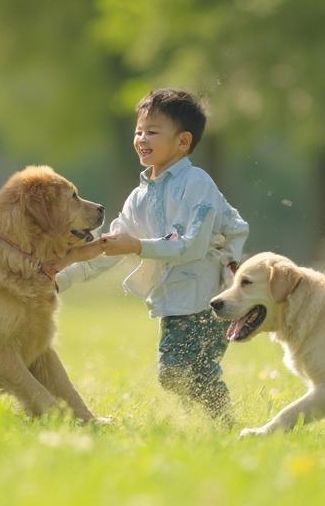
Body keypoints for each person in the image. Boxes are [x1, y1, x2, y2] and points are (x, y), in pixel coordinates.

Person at [55, 88, 249, 422]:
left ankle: (221, 421)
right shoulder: (139, 197)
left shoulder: (196, 183)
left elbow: (193, 246)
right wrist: (61, 277)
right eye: (138, 131)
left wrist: (140, 246)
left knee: (177, 371)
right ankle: (218, 423)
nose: (142, 138)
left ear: (183, 142)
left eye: (153, 131)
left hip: (210, 298)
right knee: (185, 372)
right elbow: (110, 247)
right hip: (175, 302)